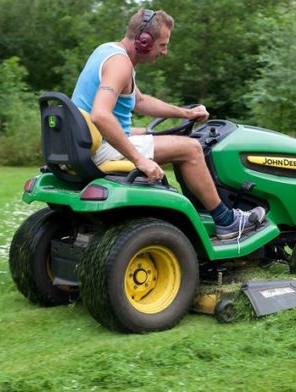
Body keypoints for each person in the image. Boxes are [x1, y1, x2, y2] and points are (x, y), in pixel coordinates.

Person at [71, 8, 265, 240]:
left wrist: (185, 113)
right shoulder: (120, 65)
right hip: (101, 149)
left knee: (151, 133)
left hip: (86, 142)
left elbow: (140, 102)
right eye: (162, 45)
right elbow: (101, 115)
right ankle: (227, 221)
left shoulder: (108, 52)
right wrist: (139, 159)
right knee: (191, 148)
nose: (165, 52)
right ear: (144, 41)